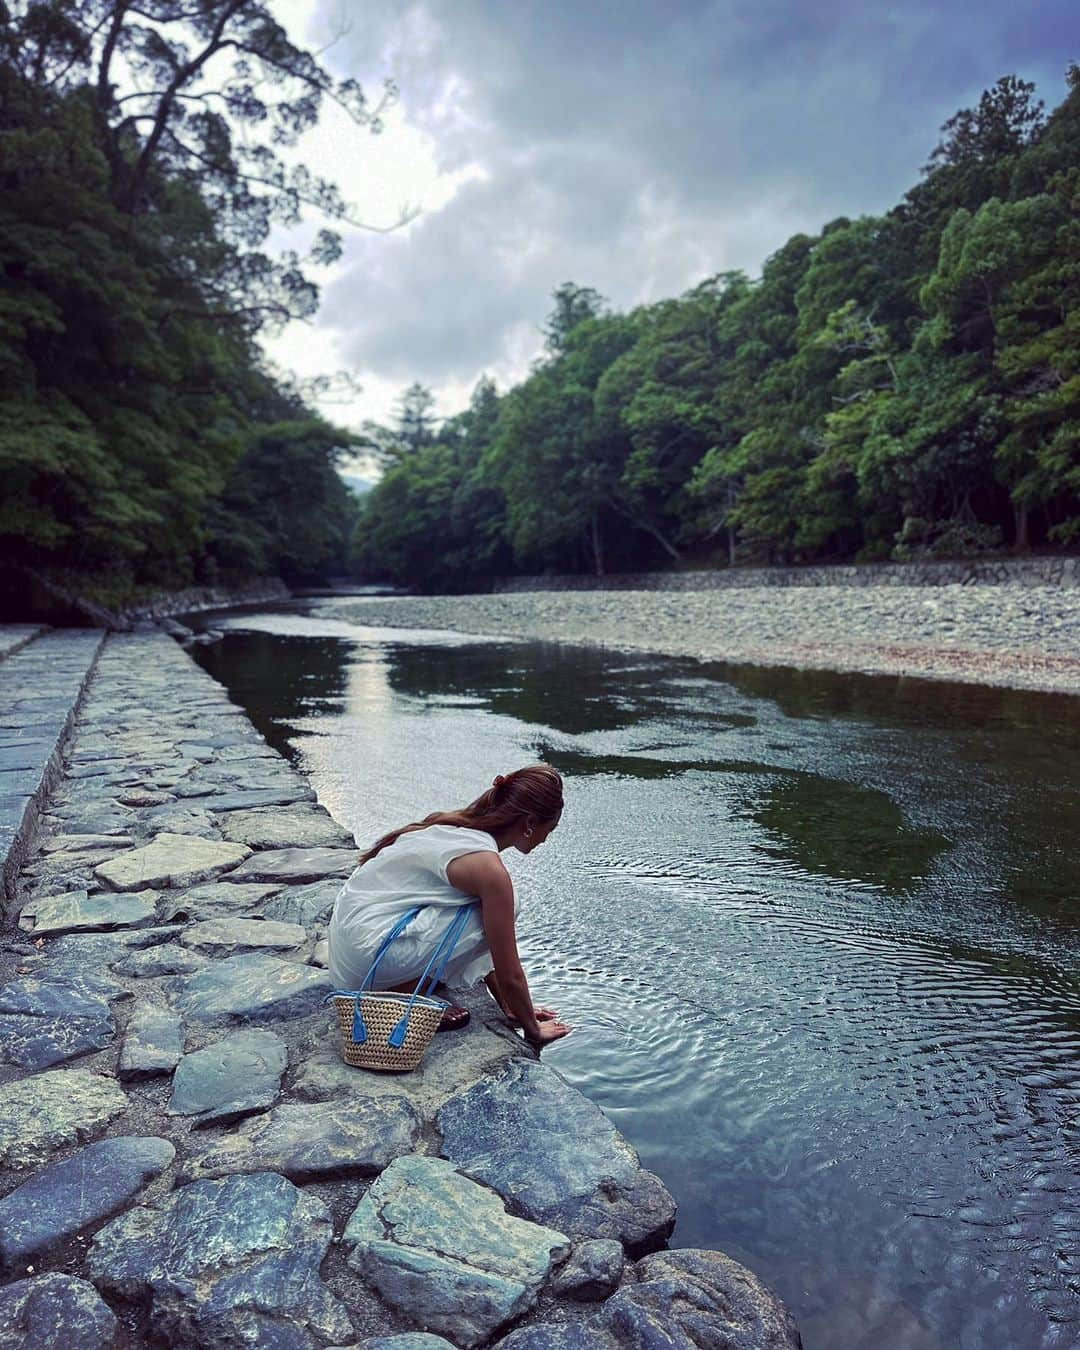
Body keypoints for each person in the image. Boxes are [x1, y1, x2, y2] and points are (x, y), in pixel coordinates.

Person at [327, 764, 572, 1045]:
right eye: (549, 829)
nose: (546, 838)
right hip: (368, 964)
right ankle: (399, 992)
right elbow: (509, 970)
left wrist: (510, 1004)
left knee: (490, 905)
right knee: (505, 903)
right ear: (529, 823)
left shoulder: (451, 825)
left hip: (350, 954)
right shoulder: (488, 868)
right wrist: (533, 1029)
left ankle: (400, 984)